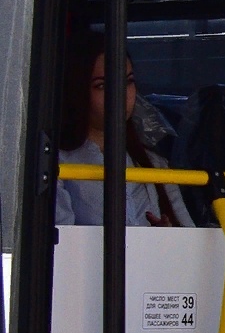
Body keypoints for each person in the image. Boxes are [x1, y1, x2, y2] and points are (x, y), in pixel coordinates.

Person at [54, 30, 185, 227]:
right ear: (77, 90)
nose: (120, 95)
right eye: (102, 85)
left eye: (128, 81)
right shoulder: (58, 163)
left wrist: (165, 238)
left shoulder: (155, 164)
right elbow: (61, 245)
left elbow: (188, 236)